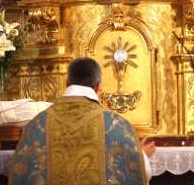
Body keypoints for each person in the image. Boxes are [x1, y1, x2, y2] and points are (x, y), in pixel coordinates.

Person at [8, 57, 155, 185]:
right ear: (98, 86)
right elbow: (136, 172)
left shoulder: (37, 124)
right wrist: (141, 156)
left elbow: (23, 174)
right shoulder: (117, 125)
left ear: (67, 83)